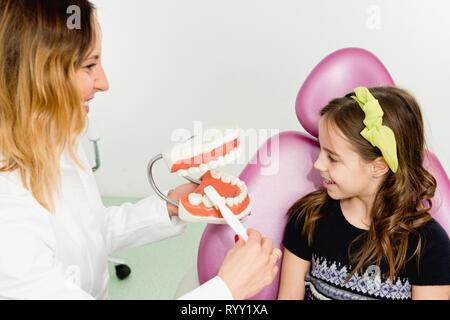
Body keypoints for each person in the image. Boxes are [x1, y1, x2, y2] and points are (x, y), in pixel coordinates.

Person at [0, 0, 281, 300]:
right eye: (90, 65)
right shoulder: (9, 219)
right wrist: (227, 289)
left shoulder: (54, 139)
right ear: (40, 75)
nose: (104, 82)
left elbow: (91, 233)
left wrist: (169, 206)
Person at [278, 86, 450, 300]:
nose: (318, 163)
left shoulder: (428, 246)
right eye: (321, 150)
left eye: (332, 157)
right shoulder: (310, 217)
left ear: (378, 166)